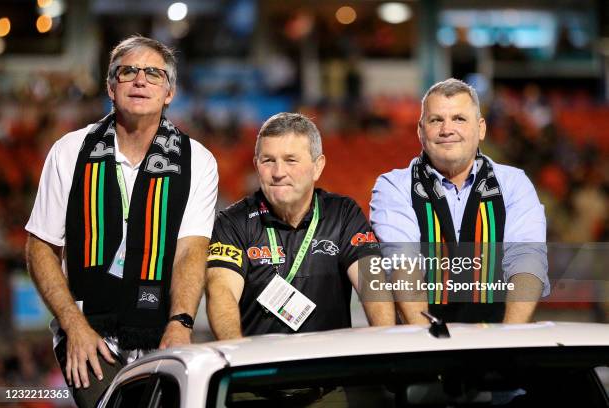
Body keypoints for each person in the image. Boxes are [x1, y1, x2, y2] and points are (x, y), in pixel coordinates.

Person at [25, 35, 218, 407]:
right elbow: (40, 247)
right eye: (128, 71)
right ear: (111, 87)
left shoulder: (198, 160)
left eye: (153, 74)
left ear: (169, 93)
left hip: (160, 327)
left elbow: (191, 250)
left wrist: (180, 323)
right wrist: (73, 325)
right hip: (87, 330)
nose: (140, 80)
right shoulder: (70, 150)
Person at [370, 78, 549, 325]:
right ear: (420, 130)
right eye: (436, 120)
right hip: (421, 345)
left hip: (498, 343)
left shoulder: (514, 184)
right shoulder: (393, 186)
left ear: (481, 128)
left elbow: (527, 260)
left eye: (459, 119)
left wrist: (510, 340)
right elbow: (402, 264)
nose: (447, 129)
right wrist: (428, 346)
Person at [206, 112, 394, 339]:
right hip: (259, 366)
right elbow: (221, 292)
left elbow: (373, 286)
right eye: (268, 161)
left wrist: (385, 344)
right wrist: (236, 357)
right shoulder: (232, 222)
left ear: (318, 166)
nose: (278, 172)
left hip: (326, 365)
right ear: (256, 165)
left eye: (290, 160)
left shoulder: (343, 214)